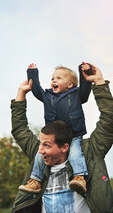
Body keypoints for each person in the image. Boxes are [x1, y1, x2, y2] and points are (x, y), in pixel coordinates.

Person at [10, 64, 113, 213]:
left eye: (46, 145)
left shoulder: (90, 152)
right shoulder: (38, 153)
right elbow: (20, 129)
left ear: (65, 147)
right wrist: (21, 93)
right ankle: (35, 182)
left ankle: (79, 178)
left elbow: (109, 121)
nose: (40, 150)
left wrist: (99, 83)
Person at [19, 62, 92, 196]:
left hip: (74, 134)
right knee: (41, 154)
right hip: (54, 137)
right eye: (53, 78)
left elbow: (86, 88)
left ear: (70, 84)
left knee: (75, 154)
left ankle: (79, 178)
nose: (54, 80)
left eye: (59, 78)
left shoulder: (77, 95)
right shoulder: (47, 96)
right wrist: (32, 73)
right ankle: (35, 180)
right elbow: (36, 89)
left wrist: (84, 71)